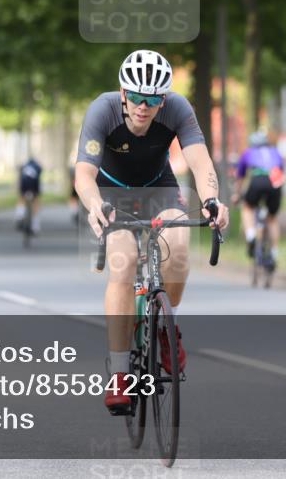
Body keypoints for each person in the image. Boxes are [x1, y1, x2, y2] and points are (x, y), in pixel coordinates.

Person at [73, 49, 230, 415]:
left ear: (163, 99)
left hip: (159, 187)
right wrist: (95, 205)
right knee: (123, 261)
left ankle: (164, 323)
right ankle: (121, 373)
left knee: (178, 242)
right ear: (124, 93)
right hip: (112, 193)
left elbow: (200, 160)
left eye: (153, 99)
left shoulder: (178, 109)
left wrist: (212, 201)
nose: (144, 106)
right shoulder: (103, 110)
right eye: (138, 97)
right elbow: (83, 173)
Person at [233, 129, 285, 269]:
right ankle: (274, 253)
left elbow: (240, 178)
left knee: (248, 207)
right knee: (272, 218)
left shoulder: (248, 153)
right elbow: (282, 172)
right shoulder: (275, 152)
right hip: (275, 182)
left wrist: (237, 194)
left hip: (258, 180)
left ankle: (251, 236)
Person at [15, 156, 43, 233]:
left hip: (24, 184)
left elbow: (20, 177)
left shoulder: (24, 166)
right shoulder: (38, 167)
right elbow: (38, 178)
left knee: (22, 198)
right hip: (34, 184)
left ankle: (19, 215)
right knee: (36, 201)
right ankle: (35, 226)